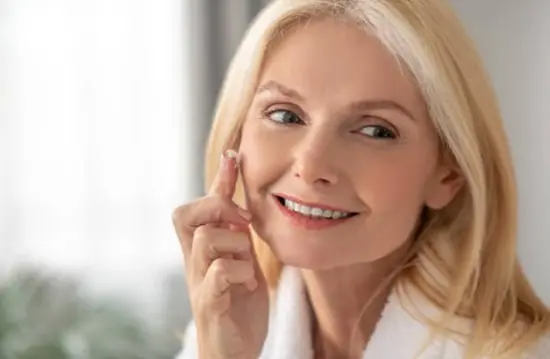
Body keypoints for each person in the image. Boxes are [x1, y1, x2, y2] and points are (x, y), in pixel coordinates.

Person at [171, 0, 550, 358]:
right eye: (285, 116)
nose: (312, 164)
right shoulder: (223, 333)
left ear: (447, 175)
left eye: (375, 131)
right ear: (236, 134)